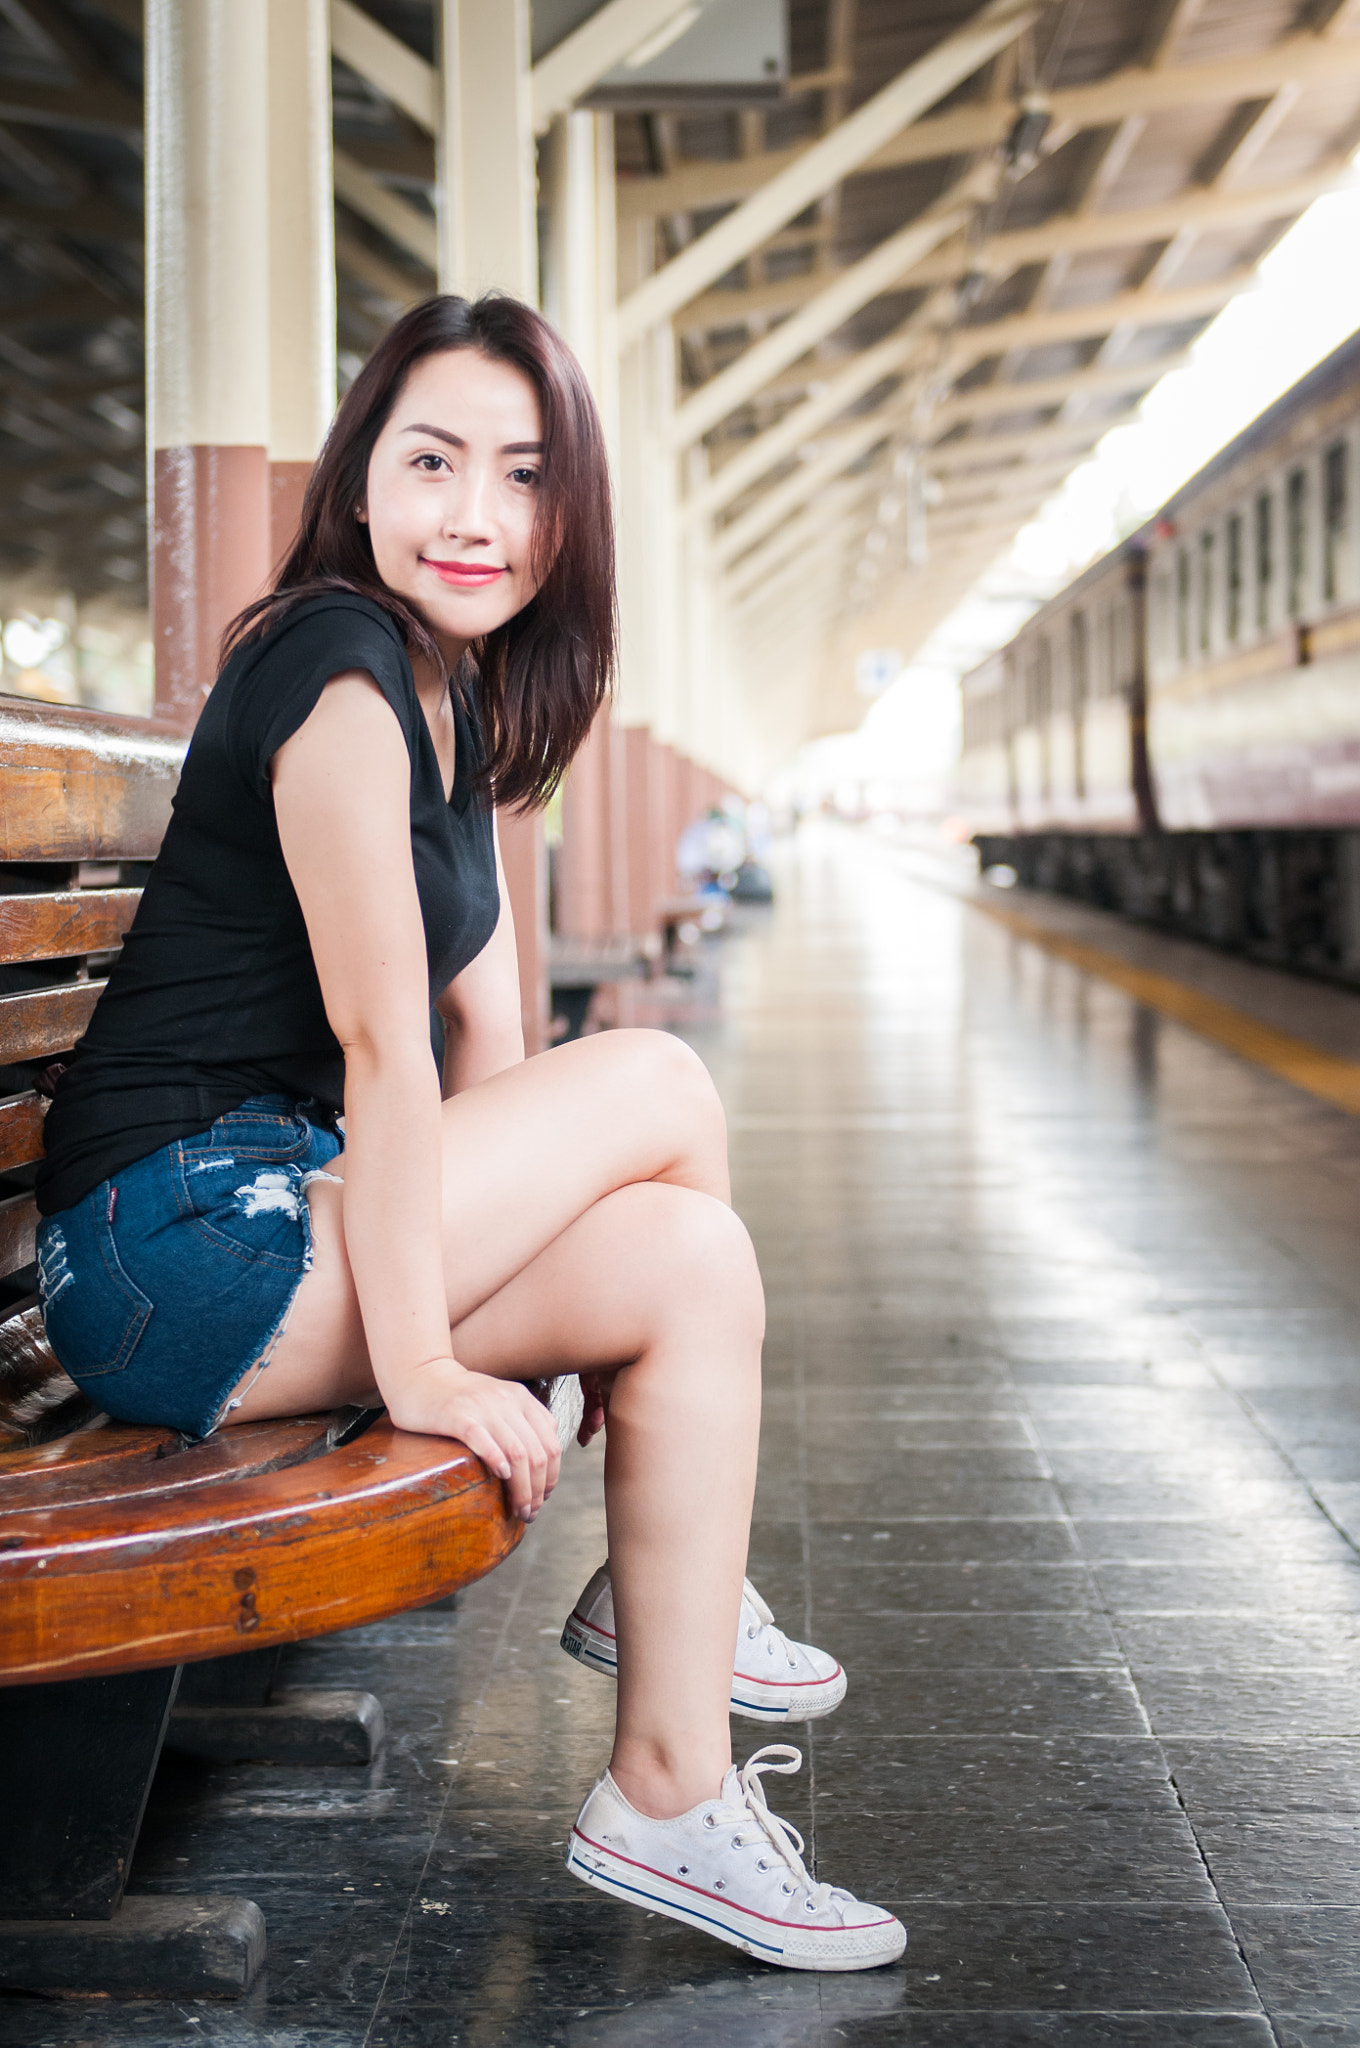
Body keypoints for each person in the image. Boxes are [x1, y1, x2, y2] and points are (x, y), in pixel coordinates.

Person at [33, 295, 905, 1974]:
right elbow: (384, 1044)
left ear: (562, 517)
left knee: (693, 1260)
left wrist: (569, 1319)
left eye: (521, 475)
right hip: (169, 1246)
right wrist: (426, 1371)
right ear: (361, 481)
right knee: (658, 1080)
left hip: (276, 1214)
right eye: (432, 461)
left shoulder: (462, 700)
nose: (476, 513)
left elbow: (491, 1035)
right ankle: (683, 1600)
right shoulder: (337, 669)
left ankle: (666, 1782)